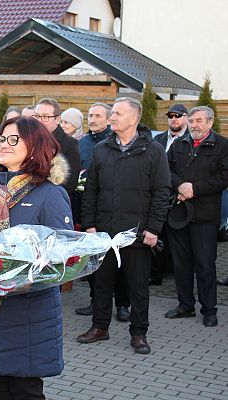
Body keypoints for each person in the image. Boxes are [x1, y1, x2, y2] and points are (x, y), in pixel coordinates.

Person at [0, 116, 71, 400]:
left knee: (25, 391)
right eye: (2, 139)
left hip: (28, 315)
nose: (4, 144)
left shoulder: (49, 194)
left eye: (14, 139)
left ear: (35, 146)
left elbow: (63, 257)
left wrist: (8, 280)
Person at [77, 97, 171, 355]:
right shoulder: (102, 150)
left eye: (118, 113)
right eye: (113, 112)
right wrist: (90, 226)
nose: (112, 117)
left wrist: (153, 229)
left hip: (137, 235)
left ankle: (139, 333)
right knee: (102, 283)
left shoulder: (153, 151)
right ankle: (99, 327)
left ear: (133, 118)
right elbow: (91, 191)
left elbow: (163, 192)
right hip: (105, 234)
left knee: (138, 287)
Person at [164, 106, 228, 327]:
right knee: (181, 264)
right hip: (179, 213)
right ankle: (185, 305)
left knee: (205, 265)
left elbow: (224, 177)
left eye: (199, 121)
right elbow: (165, 170)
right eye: (191, 121)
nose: (195, 125)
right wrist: (180, 185)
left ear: (210, 123)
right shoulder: (179, 144)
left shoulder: (222, 145)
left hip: (205, 215)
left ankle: (209, 309)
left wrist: (195, 189)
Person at [74, 102, 130, 320]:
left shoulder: (114, 143)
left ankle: (123, 304)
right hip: (88, 208)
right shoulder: (84, 143)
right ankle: (95, 300)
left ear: (108, 120)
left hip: (113, 210)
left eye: (98, 116)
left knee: (119, 260)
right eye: (90, 115)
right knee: (93, 260)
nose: (93, 119)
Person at [150, 104, 189, 285]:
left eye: (178, 116)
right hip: (157, 197)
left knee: (175, 240)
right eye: (171, 116)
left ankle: (176, 274)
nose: (174, 119)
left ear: (186, 118)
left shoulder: (189, 140)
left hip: (178, 199)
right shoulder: (157, 140)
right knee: (156, 234)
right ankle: (155, 275)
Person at [34, 98, 80, 197]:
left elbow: (70, 183)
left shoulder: (69, 144)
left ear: (57, 120)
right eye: (37, 116)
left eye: (45, 117)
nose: (40, 121)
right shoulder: (29, 141)